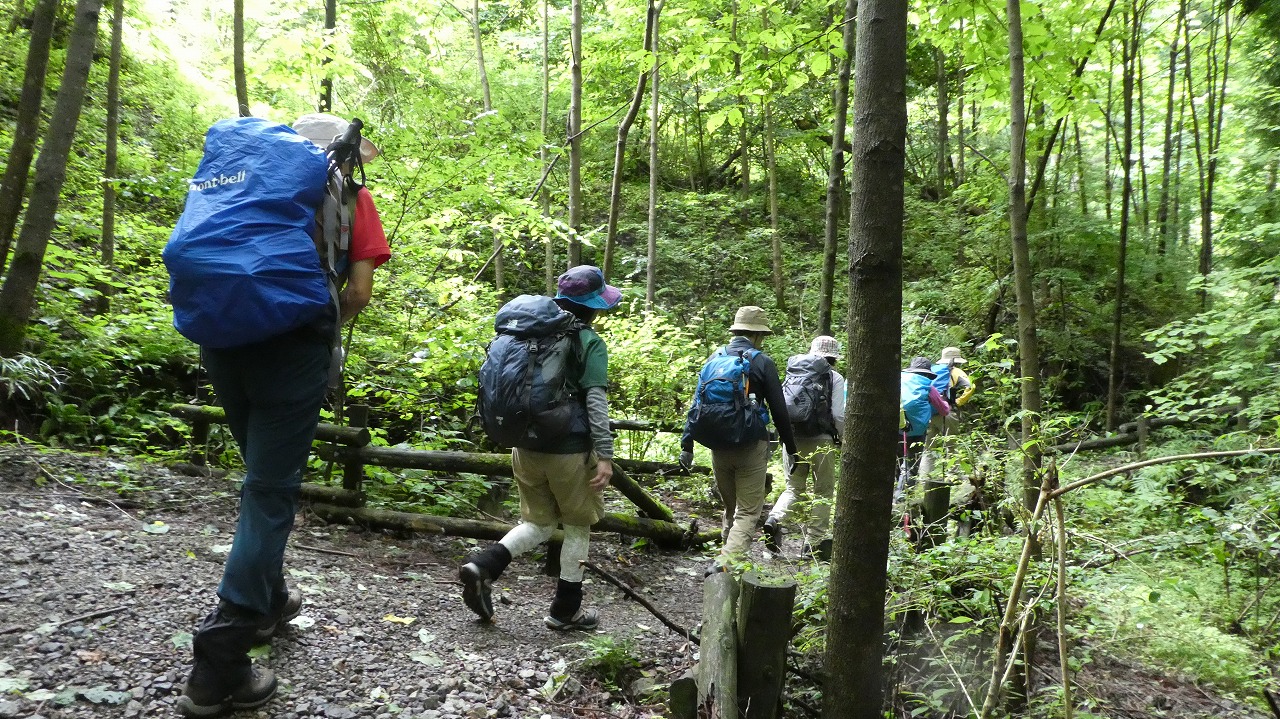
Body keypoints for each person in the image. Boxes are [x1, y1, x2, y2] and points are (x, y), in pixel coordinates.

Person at [177, 114, 391, 718]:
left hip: (222, 336)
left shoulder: (244, 180)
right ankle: (220, 661)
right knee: (270, 493)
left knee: (260, 477)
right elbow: (358, 292)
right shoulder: (351, 196)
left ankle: (269, 603)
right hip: (292, 345)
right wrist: (315, 327)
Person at [459, 265, 621, 631]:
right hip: (569, 450)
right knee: (577, 527)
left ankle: (483, 565)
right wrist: (605, 455)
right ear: (594, 306)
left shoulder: (528, 334)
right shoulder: (588, 341)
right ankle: (566, 611)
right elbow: (595, 402)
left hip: (524, 446)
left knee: (539, 523)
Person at [679, 306, 799, 573]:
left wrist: (687, 445)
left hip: (717, 444)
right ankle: (725, 565)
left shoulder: (714, 357)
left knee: (731, 509)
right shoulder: (762, 362)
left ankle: (725, 566)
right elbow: (779, 410)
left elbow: (696, 404)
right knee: (747, 512)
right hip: (751, 445)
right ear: (757, 335)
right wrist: (791, 449)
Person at [763, 335, 846, 561]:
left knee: (794, 489)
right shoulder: (834, 377)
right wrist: (842, 437)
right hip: (822, 440)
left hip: (792, 438)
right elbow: (838, 414)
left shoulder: (795, 372)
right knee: (823, 492)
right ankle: (813, 544)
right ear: (833, 356)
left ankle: (774, 519)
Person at [896, 356, 949, 502]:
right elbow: (944, 410)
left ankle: (893, 496)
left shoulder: (899, 381)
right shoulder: (928, 387)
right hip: (916, 433)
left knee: (897, 463)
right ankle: (903, 500)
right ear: (927, 373)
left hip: (895, 428)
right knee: (911, 465)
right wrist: (945, 402)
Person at [919, 346, 975, 482]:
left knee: (928, 448)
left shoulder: (931, 370)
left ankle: (924, 478)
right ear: (956, 360)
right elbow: (971, 387)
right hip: (946, 412)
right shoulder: (955, 371)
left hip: (929, 412)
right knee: (951, 446)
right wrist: (958, 401)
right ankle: (953, 476)